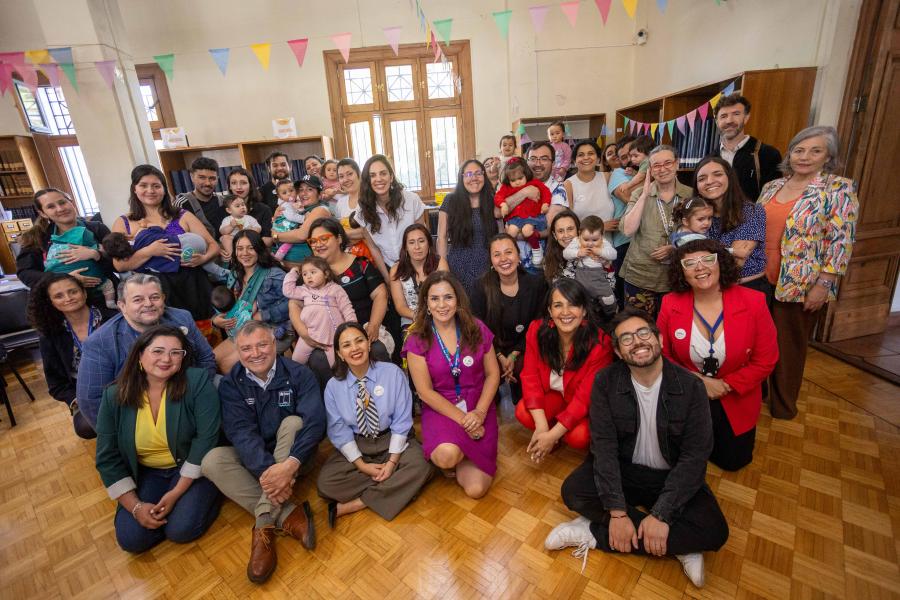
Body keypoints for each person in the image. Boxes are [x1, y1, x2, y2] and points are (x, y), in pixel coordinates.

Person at [547, 308, 729, 588]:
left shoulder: (691, 387)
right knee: (573, 490)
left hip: (669, 476)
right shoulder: (605, 381)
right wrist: (618, 512)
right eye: (626, 339)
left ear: (659, 339)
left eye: (643, 333)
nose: (637, 342)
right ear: (618, 352)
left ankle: (593, 533)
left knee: (715, 531)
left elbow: (695, 457)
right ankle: (680, 543)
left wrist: (662, 515)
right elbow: (604, 448)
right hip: (625, 471)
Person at [202, 321, 325, 584]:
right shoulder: (231, 385)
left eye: (262, 345)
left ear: (274, 344)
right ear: (237, 351)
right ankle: (286, 512)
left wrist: (288, 466)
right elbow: (241, 434)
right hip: (257, 461)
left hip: (296, 458)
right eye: (246, 348)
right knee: (212, 461)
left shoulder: (300, 374)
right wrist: (271, 474)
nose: (255, 353)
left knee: (294, 423)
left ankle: (263, 524)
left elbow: (315, 423)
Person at [758, 125, 858, 419]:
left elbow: (841, 241)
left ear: (828, 156)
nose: (804, 157)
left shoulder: (838, 189)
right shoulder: (772, 186)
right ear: (789, 154)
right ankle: (756, 395)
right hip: (759, 276)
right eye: (799, 150)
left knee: (788, 347)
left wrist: (824, 284)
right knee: (758, 341)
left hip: (801, 283)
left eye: (815, 151)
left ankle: (783, 406)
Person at [95, 325, 222, 553]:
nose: (166, 359)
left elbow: (206, 439)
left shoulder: (197, 381)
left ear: (183, 358)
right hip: (148, 472)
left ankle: (204, 498)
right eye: (158, 351)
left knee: (181, 531)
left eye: (175, 353)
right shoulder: (113, 396)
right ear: (140, 355)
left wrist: (175, 494)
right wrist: (136, 507)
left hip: (191, 468)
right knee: (132, 540)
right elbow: (107, 458)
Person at [658, 239, 778, 470]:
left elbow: (766, 360)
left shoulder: (754, 302)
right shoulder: (669, 303)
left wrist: (725, 385)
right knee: (677, 458)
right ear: (682, 273)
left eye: (707, 259)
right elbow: (662, 356)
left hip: (734, 393)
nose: (700, 267)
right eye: (690, 263)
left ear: (720, 263)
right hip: (687, 392)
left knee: (733, 462)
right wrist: (700, 382)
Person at [318, 322, 434, 526]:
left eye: (359, 341)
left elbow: (402, 421)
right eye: (346, 345)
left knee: (421, 464)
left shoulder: (392, 373)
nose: (355, 348)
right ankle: (398, 487)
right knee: (326, 483)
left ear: (369, 344)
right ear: (339, 353)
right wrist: (362, 466)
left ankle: (358, 503)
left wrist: (392, 462)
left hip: (392, 439)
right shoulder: (333, 387)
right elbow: (339, 431)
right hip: (360, 444)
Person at [404, 271, 500, 498]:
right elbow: (424, 392)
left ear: (458, 299)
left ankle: (464, 453)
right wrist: (465, 421)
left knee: (476, 490)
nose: (442, 305)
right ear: (426, 303)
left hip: (478, 404)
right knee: (446, 457)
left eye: (448, 297)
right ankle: (455, 452)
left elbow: (493, 374)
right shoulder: (416, 339)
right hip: (442, 407)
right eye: (434, 299)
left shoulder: (476, 328)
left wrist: (479, 412)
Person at [77, 273, 217, 429]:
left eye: (155, 297)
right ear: (122, 306)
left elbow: (205, 357)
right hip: (136, 409)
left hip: (188, 389)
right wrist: (122, 436)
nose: (148, 304)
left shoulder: (182, 317)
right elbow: (91, 400)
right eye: (138, 300)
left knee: (223, 387)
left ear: (163, 298)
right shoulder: (100, 343)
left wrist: (196, 393)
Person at [111, 165, 221, 332]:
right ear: (134, 189)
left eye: (156, 186)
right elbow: (119, 265)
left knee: (205, 332)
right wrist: (150, 251)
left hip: (193, 285)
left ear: (164, 189)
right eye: (144, 185)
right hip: (154, 291)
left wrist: (203, 259)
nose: (150, 191)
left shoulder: (182, 215)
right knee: (168, 336)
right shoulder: (124, 222)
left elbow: (213, 246)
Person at [517, 278, 614, 455]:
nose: (565, 312)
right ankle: (550, 433)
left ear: (584, 310)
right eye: (558, 305)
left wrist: (553, 435)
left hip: (580, 405)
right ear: (549, 311)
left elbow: (584, 399)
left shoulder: (600, 344)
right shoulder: (536, 330)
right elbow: (530, 377)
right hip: (553, 396)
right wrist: (541, 427)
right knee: (523, 412)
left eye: (573, 305)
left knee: (579, 437)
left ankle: (556, 435)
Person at [27, 273, 117, 439]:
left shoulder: (114, 319)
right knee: (86, 427)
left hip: (121, 383)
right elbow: (56, 383)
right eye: (59, 296)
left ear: (84, 293)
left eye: (73, 292)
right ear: (51, 302)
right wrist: (76, 399)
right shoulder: (50, 334)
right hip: (83, 391)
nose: (68, 298)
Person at [305, 218, 392, 388]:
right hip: (327, 337)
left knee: (377, 349)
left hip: (363, 330)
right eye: (313, 241)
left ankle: (385, 396)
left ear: (339, 238)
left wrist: (374, 325)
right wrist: (304, 333)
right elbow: (294, 304)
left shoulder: (361, 264)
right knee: (317, 359)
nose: (318, 244)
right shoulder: (309, 272)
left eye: (324, 238)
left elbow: (380, 294)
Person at [471, 234, 546, 403]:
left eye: (508, 252)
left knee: (525, 390)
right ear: (491, 261)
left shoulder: (536, 284)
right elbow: (478, 326)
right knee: (488, 388)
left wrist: (514, 355)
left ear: (518, 255)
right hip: (491, 347)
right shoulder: (480, 287)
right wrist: (499, 356)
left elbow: (538, 324)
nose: (503, 259)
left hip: (525, 345)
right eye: (497, 254)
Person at [619, 145, 693, 316]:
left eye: (668, 163)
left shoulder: (690, 195)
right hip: (640, 275)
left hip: (676, 276)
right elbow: (628, 230)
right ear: (650, 170)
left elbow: (700, 233)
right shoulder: (639, 194)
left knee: (673, 326)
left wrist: (675, 248)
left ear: (677, 164)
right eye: (656, 165)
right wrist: (645, 194)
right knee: (639, 326)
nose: (662, 169)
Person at [17, 188, 117, 308]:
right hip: (63, 304)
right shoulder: (36, 238)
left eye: (62, 202)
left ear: (71, 202)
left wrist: (97, 255)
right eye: (51, 206)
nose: (60, 209)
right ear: (43, 213)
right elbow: (25, 273)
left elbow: (119, 265)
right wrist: (63, 278)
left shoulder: (97, 229)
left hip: (104, 299)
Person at [211, 230, 291, 373]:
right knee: (212, 362)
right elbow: (226, 302)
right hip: (244, 329)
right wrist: (217, 319)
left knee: (228, 367)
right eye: (240, 248)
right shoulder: (235, 273)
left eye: (250, 248)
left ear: (259, 249)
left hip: (273, 329)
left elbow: (293, 304)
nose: (245, 253)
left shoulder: (274, 274)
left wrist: (262, 315)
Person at [693, 156, 769, 295]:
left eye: (717, 174)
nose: (709, 181)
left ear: (730, 178)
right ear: (697, 187)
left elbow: (736, 261)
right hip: (708, 288)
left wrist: (701, 254)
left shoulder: (751, 211)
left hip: (747, 289)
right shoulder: (697, 216)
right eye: (702, 178)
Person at [354, 154, 427, 272]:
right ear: (368, 181)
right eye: (372, 175)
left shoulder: (411, 200)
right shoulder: (362, 209)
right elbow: (374, 248)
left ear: (391, 177)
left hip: (417, 262)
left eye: (383, 173)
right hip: (388, 265)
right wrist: (388, 279)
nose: (379, 179)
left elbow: (423, 237)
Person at [436, 160, 497, 298]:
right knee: (462, 306)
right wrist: (443, 267)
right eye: (468, 174)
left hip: (487, 267)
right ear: (461, 177)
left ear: (484, 176)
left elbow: (500, 234)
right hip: (458, 266)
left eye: (478, 173)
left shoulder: (492, 199)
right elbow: (442, 237)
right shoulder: (450, 200)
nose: (474, 178)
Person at [284, 256, 356, 366]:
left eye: (313, 272)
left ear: (326, 274)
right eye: (304, 274)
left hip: (332, 337)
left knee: (337, 366)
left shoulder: (335, 289)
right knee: (296, 362)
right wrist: (294, 272)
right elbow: (288, 291)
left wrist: (353, 328)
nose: (308, 276)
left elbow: (346, 308)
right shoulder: (304, 290)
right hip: (310, 334)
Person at [712, 94, 782, 201]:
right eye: (723, 116)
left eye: (736, 114)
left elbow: (772, 199)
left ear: (746, 118)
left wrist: (748, 212)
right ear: (717, 122)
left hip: (754, 212)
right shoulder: (709, 159)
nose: (729, 120)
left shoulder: (767, 155)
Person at [494, 158, 551, 267]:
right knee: (511, 233)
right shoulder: (507, 188)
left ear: (526, 174)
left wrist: (545, 203)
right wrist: (503, 204)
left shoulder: (534, 183)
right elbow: (498, 197)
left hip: (532, 216)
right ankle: (515, 254)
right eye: (513, 180)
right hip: (516, 218)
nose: (517, 182)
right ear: (508, 180)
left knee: (527, 230)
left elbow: (546, 192)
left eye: (520, 178)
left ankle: (536, 250)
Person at [390, 224, 449, 329]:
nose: (417, 247)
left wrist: (436, 316)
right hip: (412, 319)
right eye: (411, 242)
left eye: (421, 241)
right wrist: (419, 317)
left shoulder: (440, 263)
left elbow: (447, 295)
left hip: (441, 315)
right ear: (405, 247)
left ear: (429, 244)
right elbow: (400, 306)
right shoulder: (396, 269)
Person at [267, 175, 331, 268]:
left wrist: (275, 235)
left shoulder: (320, 209)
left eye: (309, 189)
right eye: (301, 190)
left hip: (306, 268)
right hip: (289, 265)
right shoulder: (301, 210)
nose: (304, 193)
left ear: (320, 193)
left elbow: (301, 235)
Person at [562, 215, 618, 318]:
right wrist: (577, 253)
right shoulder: (577, 241)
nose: (590, 244)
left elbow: (614, 255)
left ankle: (610, 315)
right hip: (582, 279)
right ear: (580, 234)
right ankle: (586, 316)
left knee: (609, 300)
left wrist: (600, 252)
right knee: (580, 301)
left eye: (595, 240)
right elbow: (565, 253)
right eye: (586, 239)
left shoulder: (604, 243)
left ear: (602, 235)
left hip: (599, 280)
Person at [607, 138, 637, 307]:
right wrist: (646, 178)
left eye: (633, 154)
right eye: (624, 157)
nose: (630, 159)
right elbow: (629, 198)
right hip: (625, 241)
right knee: (625, 295)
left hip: (647, 241)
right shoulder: (619, 173)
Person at [333, 158, 379, 262]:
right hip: (351, 259)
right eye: (341, 176)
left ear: (359, 173)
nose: (345, 179)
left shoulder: (372, 199)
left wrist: (344, 234)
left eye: (349, 174)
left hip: (376, 256)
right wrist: (358, 234)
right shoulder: (340, 203)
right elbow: (338, 231)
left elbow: (372, 232)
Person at [564, 140, 617, 224]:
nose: (586, 158)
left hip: (612, 233)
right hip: (583, 233)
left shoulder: (607, 177)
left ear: (598, 159)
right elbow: (569, 222)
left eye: (590, 153)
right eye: (581, 155)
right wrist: (601, 227)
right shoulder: (568, 184)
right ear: (574, 161)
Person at [173, 156, 227, 238]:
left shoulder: (224, 201)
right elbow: (174, 235)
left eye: (212, 178)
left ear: (218, 179)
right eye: (202, 178)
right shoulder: (181, 204)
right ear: (192, 177)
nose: (207, 183)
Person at [226, 168, 275, 254]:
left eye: (243, 183)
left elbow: (268, 239)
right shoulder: (223, 210)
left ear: (250, 185)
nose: (238, 187)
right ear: (229, 186)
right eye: (234, 183)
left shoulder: (264, 209)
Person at [218, 195, 263, 259]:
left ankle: (252, 255)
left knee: (256, 238)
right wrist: (231, 226)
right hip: (233, 240)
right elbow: (222, 232)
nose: (242, 207)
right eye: (237, 206)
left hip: (246, 239)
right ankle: (232, 256)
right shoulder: (227, 220)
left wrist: (251, 230)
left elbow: (258, 228)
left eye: (243, 205)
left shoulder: (249, 218)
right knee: (225, 238)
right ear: (229, 210)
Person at [542, 210, 580, 282]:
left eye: (570, 229)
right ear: (555, 235)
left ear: (578, 231)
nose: (566, 235)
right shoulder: (548, 261)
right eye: (560, 231)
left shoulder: (591, 255)